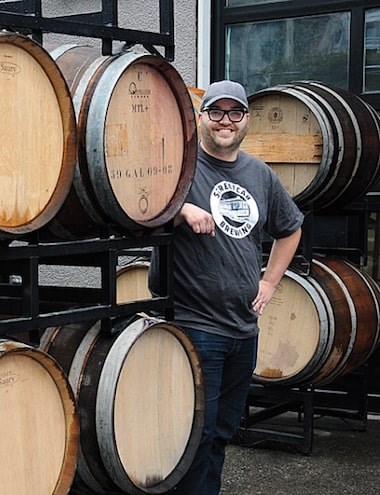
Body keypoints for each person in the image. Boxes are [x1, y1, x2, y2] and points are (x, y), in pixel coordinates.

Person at [149, 80, 304, 495]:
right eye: (216, 112)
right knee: (193, 435)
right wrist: (180, 208)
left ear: (246, 121)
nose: (226, 121)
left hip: (243, 328)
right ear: (202, 118)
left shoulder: (259, 173)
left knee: (220, 433)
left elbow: (291, 228)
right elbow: (139, 206)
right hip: (197, 325)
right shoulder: (180, 167)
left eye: (235, 113)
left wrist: (270, 281)